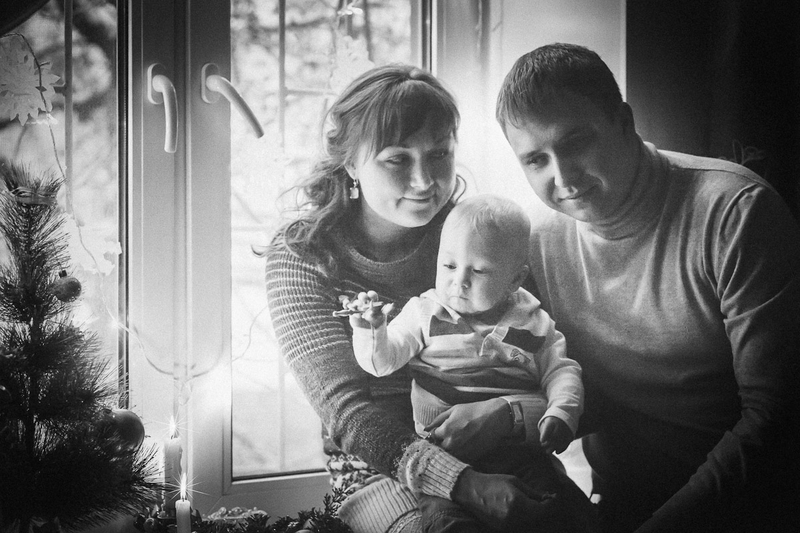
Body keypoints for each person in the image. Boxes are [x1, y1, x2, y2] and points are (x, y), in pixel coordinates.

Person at [264, 64, 595, 533]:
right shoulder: (304, 253)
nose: (424, 181)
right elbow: (346, 412)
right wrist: (464, 484)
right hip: (378, 473)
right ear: (351, 164)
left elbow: (558, 369)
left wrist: (507, 414)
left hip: (508, 454)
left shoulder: (478, 237)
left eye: (439, 154)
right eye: (397, 159)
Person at [495, 42, 800, 533]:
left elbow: (775, 418)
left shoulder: (735, 212)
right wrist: (506, 416)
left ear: (624, 121)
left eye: (575, 142)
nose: (562, 177)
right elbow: (579, 388)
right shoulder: (538, 241)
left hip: (752, 508)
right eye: (535, 160)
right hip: (619, 504)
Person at [342, 193, 589, 532]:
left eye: (479, 270)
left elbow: (561, 371)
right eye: (449, 266)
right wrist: (371, 330)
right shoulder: (424, 313)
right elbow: (381, 363)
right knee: (447, 524)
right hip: (444, 454)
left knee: (557, 512)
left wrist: (562, 411)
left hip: (520, 453)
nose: (459, 281)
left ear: (515, 280)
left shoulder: (533, 322)